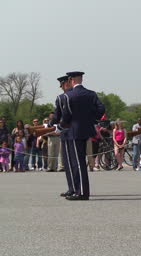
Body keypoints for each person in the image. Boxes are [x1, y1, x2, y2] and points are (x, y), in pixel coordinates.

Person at [60, 71, 106, 201]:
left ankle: (81, 192)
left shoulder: (69, 96)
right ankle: (78, 190)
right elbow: (101, 110)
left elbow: (66, 116)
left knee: (78, 163)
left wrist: (61, 125)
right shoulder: (91, 94)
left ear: (71, 80)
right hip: (87, 129)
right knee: (80, 161)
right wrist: (91, 118)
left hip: (74, 130)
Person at [50, 75, 76, 197]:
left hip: (66, 132)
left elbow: (57, 116)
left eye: (62, 85)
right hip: (79, 132)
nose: (62, 88)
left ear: (66, 84)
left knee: (68, 161)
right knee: (77, 162)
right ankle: (77, 188)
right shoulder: (79, 96)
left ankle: (72, 188)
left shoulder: (61, 98)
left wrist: (50, 124)